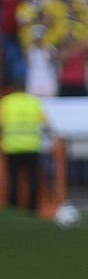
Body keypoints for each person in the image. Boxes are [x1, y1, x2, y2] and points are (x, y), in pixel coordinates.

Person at [1, 76, 50, 213]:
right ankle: (32, 207)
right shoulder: (34, 102)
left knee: (13, 178)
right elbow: (46, 124)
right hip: (32, 146)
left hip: (12, 147)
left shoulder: (6, 102)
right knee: (33, 178)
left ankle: (13, 206)